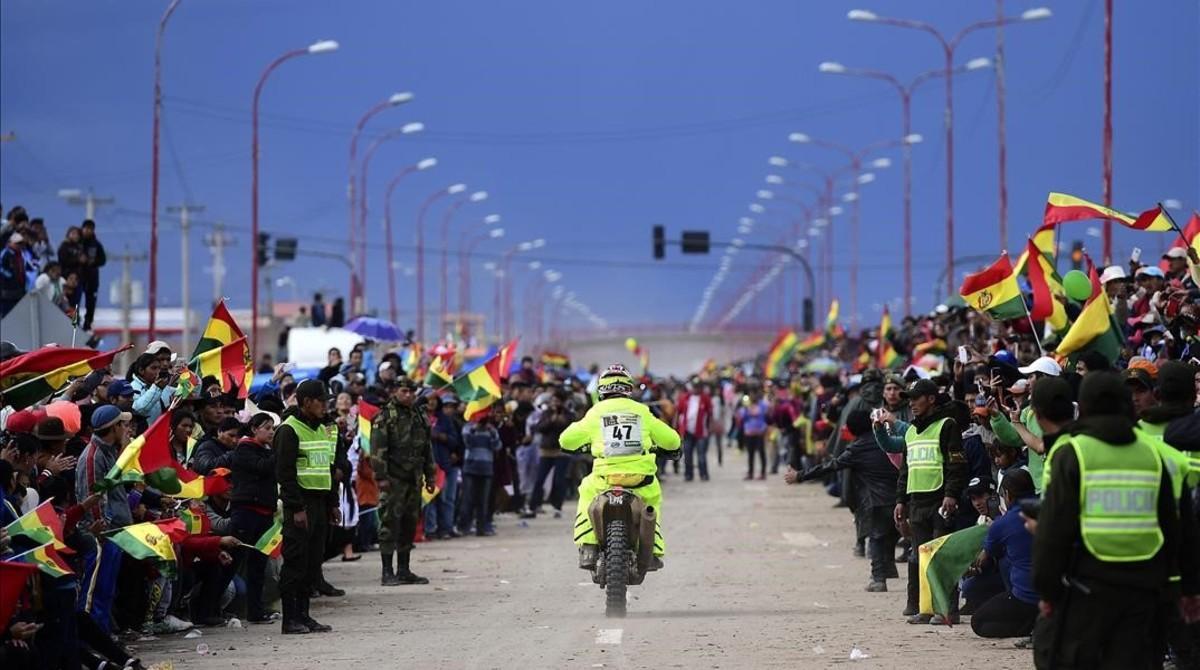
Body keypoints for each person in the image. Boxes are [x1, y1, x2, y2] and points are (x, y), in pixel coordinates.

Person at [1032, 371, 1185, 669]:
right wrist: (1181, 588)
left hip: (1087, 588)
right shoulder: (1153, 454)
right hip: (1144, 591)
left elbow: (1054, 532)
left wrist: (1047, 591)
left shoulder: (1072, 453)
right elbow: (1174, 528)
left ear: (1084, 408)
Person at [560, 364, 681, 570]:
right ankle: (651, 551)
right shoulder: (642, 411)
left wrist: (585, 443)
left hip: (605, 479)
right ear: (628, 388)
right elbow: (672, 441)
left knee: (587, 492)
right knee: (652, 501)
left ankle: (588, 547)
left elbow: (566, 440)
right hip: (640, 479)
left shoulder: (595, 412)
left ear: (601, 390)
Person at [789, 408, 900, 592]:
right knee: (891, 535)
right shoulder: (889, 442)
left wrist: (800, 475)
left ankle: (879, 579)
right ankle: (890, 568)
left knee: (877, 538)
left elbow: (830, 466)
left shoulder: (856, 449)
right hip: (899, 498)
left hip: (875, 501)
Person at [894, 378, 968, 624]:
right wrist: (900, 500)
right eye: (910, 399)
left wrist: (951, 494)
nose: (912, 404)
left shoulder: (948, 425)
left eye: (916, 398)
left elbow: (956, 464)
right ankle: (924, 609)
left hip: (940, 500)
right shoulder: (910, 432)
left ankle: (947, 610)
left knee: (940, 558)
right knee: (919, 558)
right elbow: (905, 470)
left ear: (931, 399)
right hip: (916, 502)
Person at [274, 379, 339, 634]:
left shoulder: (321, 428)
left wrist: (333, 502)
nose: (325, 406)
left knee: (312, 562)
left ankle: (305, 615)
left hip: (320, 503)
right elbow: (285, 473)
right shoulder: (289, 430)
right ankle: (290, 619)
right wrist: (296, 507)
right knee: (295, 562)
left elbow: (328, 469)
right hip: (300, 504)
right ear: (307, 402)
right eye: (321, 401)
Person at [371, 378, 436, 586]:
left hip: (414, 478)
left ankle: (404, 569)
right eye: (404, 391)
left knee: (410, 524)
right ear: (395, 391)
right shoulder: (385, 416)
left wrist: (430, 475)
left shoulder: (418, 415)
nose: (408, 395)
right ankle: (387, 572)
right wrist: (381, 477)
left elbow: (427, 448)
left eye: (411, 391)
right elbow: (378, 449)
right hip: (393, 479)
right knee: (390, 524)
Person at [969, 469, 1040, 639]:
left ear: (1007, 495)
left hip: (1026, 596)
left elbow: (984, 558)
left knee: (979, 622)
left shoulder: (1003, 524)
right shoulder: (1052, 510)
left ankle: (1033, 627)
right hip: (1059, 593)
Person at [230, 412, 280, 624]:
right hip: (246, 512)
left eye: (272, 428)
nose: (271, 432)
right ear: (253, 429)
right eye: (267, 428)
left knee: (259, 565)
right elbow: (263, 467)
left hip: (264, 512)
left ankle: (256, 611)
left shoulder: (265, 450)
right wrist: (280, 452)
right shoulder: (245, 449)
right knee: (235, 561)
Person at [529, 392, 572, 518]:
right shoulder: (546, 413)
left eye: (558, 401)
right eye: (553, 401)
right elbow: (539, 427)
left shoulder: (568, 414)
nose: (555, 403)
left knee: (559, 480)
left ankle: (557, 506)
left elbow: (572, 428)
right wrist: (551, 420)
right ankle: (534, 505)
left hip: (562, 451)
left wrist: (562, 421)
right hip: (546, 451)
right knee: (539, 479)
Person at [426, 395, 464, 538]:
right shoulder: (418, 418)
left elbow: (455, 441)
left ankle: (446, 528)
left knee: (446, 499)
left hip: (444, 465)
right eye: (428, 399)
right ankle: (430, 529)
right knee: (430, 499)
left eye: (434, 399)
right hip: (427, 465)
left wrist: (441, 436)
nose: (431, 402)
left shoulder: (446, 420)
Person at [460, 410, 502, 536]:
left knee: (483, 500)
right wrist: (475, 429)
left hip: (486, 468)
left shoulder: (492, 430)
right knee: (468, 499)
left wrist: (492, 433)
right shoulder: (468, 428)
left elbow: (497, 446)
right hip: (470, 467)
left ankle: (481, 528)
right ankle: (464, 527)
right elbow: (468, 443)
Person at [675, 381, 714, 482]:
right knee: (687, 454)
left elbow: (710, 414)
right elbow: (678, 412)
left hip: (701, 431)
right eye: (695, 387)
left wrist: (709, 428)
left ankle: (704, 474)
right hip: (687, 431)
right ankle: (688, 474)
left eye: (698, 387)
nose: (696, 389)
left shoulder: (705, 398)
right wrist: (676, 427)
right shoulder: (685, 398)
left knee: (701, 455)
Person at [78, 219, 106, 330]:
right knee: (76, 300)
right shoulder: (77, 242)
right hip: (78, 277)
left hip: (92, 277)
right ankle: (74, 320)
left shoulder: (96, 244)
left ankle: (88, 323)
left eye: (90, 229)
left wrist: (92, 262)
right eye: (86, 228)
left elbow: (103, 260)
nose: (88, 231)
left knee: (91, 302)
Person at [737, 385, 770, 480]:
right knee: (750, 454)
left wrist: (764, 428)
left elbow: (766, 417)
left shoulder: (763, 405)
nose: (752, 396)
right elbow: (742, 417)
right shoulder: (746, 405)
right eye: (751, 394)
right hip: (749, 432)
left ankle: (763, 473)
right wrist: (745, 408)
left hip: (760, 432)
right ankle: (750, 473)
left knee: (761, 453)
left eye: (754, 394)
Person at [0, 231, 26, 317]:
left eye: (21, 243)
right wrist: (9, 275)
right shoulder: (5, 253)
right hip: (7, 291)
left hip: (18, 290)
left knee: (18, 315)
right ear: (10, 243)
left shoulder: (20, 255)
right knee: (7, 315)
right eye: (17, 243)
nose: (20, 245)